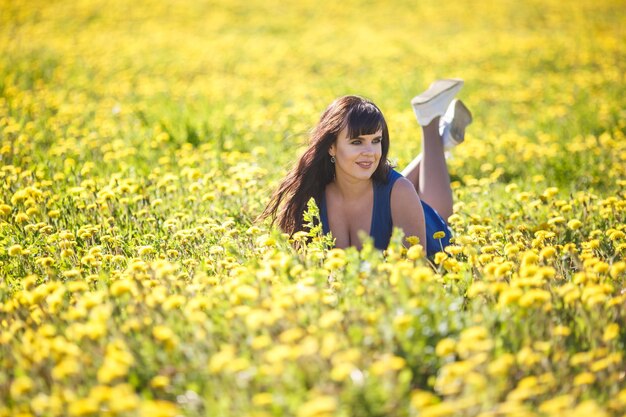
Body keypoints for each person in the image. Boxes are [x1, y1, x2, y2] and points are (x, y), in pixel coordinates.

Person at [260, 79, 472, 258]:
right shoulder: (313, 195)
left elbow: (414, 274)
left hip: (434, 258)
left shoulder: (400, 192)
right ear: (331, 147)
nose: (370, 151)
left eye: (376, 140)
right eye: (356, 142)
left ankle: (430, 125)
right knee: (386, 186)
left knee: (435, 214)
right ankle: (438, 139)